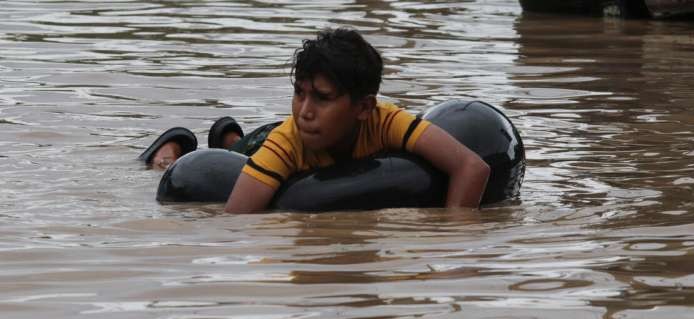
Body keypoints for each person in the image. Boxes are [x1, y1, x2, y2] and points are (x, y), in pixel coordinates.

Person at [143, 28, 490, 212]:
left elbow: (473, 167)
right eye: (299, 93)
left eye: (322, 98)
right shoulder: (287, 141)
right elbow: (238, 222)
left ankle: (229, 136)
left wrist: (451, 242)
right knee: (234, 159)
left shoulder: (386, 121)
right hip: (265, 140)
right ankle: (175, 147)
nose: (305, 109)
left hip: (314, 143)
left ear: (364, 107)